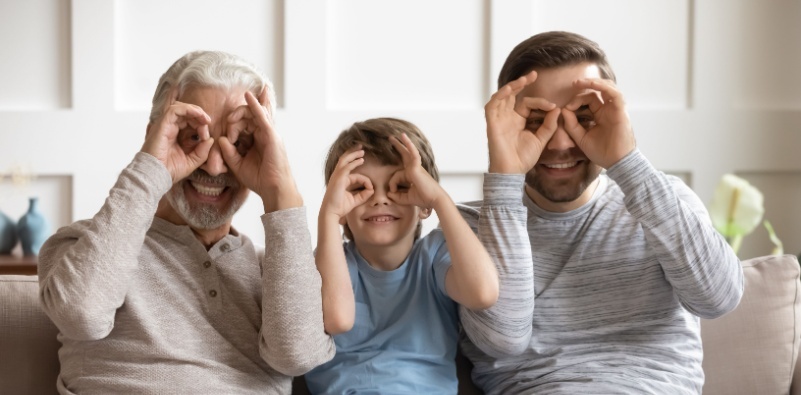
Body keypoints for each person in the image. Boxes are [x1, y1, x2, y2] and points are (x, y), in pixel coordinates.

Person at [458, 31, 744, 394]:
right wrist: (504, 177)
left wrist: (628, 162)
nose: (560, 143)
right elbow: (503, 340)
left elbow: (719, 299)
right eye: (535, 119)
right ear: (502, 123)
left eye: (584, 116)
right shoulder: (468, 228)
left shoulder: (665, 200)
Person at [37, 50, 335, 394]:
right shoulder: (78, 246)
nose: (214, 166)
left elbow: (296, 357)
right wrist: (152, 167)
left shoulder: (279, 269)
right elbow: (81, 314)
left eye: (241, 143)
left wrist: (281, 193)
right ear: (155, 136)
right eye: (193, 136)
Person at [303, 118, 499, 394]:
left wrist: (440, 200)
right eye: (360, 188)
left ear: (423, 204)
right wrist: (329, 214)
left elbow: (483, 293)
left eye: (401, 186)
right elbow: (338, 319)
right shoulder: (331, 261)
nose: (380, 199)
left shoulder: (433, 256)